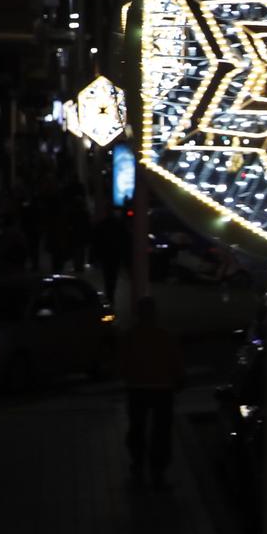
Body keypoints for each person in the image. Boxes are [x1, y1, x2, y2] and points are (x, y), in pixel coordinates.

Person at [118, 296, 185, 490]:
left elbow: (121, 365)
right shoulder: (166, 336)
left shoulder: (129, 336)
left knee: (137, 427)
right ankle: (158, 469)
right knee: (161, 431)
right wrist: (179, 380)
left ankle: (138, 462)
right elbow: (176, 362)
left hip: (137, 388)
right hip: (163, 389)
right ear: (155, 314)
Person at [91, 204, 129, 305]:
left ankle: (109, 295)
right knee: (113, 276)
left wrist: (96, 256)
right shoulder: (119, 225)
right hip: (115, 254)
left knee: (107, 276)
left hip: (106, 254)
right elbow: (125, 240)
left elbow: (95, 241)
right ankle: (111, 295)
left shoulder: (102, 225)